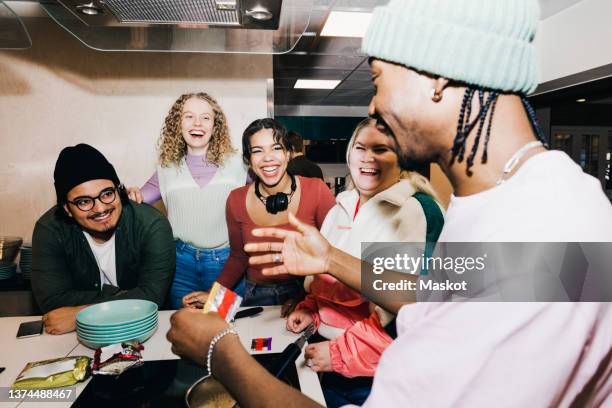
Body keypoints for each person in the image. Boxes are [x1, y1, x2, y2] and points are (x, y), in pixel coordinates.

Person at [167, 0, 612, 406]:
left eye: (378, 79)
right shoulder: (507, 202)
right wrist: (332, 259)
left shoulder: (543, 231)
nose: (375, 108)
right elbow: (435, 295)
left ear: (437, 73)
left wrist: (220, 353)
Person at [287, 118, 444, 407]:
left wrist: (338, 353)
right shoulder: (341, 207)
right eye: (360, 147)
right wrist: (312, 312)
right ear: (349, 154)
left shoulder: (414, 211)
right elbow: (328, 281)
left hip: (377, 374)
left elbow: (408, 313)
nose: (368, 157)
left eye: (381, 149)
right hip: (332, 366)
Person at [182, 118, 335, 307]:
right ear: (248, 160)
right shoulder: (236, 199)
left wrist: (306, 299)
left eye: (276, 148)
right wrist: (213, 294)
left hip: (307, 291)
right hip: (255, 293)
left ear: (288, 154)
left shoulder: (316, 190)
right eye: (257, 151)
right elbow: (238, 257)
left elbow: (335, 253)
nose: (268, 157)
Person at [32, 144, 174, 335]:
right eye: (84, 201)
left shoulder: (151, 224)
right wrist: (118, 294)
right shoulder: (50, 230)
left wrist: (80, 313)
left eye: (107, 194)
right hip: (77, 340)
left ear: (119, 190)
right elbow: (53, 302)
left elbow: (152, 296)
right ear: (67, 209)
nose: (100, 209)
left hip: (142, 332)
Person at [128, 92, 247, 309]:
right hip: (180, 265)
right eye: (189, 116)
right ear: (178, 123)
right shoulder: (166, 168)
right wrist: (131, 193)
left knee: (225, 327)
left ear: (215, 125)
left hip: (228, 265)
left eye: (206, 117)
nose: (197, 123)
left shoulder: (239, 164)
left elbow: (266, 193)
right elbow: (134, 202)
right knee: (184, 331)